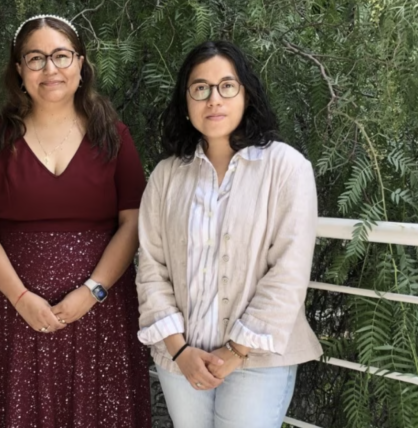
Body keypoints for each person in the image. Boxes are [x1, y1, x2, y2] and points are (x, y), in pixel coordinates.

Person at [0, 15, 151, 428]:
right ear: (19, 70)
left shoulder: (113, 136)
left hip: (100, 312)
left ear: (81, 64)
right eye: (35, 58)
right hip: (11, 310)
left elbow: (133, 223)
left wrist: (92, 291)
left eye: (61, 56)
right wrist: (21, 298)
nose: (50, 69)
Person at [136, 40, 323, 428]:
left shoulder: (287, 168)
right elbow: (151, 267)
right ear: (185, 102)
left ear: (246, 94)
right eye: (200, 88)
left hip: (258, 358)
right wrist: (179, 350)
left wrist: (235, 350)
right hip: (181, 359)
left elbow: (288, 271)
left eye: (226, 86)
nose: (213, 99)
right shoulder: (166, 175)